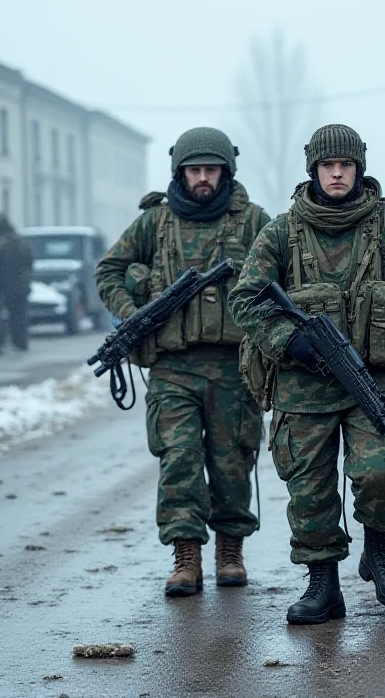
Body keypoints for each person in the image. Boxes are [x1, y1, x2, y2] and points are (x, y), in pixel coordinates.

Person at [228, 124, 385, 624]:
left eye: (345, 165)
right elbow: (243, 300)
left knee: (378, 471)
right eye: (328, 166)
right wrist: (289, 340)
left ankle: (380, 551)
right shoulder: (281, 232)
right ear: (314, 170)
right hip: (301, 386)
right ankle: (323, 585)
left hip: (374, 379)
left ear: (358, 169)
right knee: (310, 490)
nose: (336, 173)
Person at [95, 127, 270, 597]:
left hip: (235, 364)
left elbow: (284, 276)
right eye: (195, 170)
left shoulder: (254, 221)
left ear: (225, 171)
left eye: (211, 170)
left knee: (233, 459)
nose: (203, 179)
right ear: (181, 172)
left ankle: (230, 550)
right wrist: (132, 313)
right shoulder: (156, 222)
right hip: (172, 366)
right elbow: (109, 269)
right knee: (179, 459)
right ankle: (185, 555)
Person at [0, 212, 33, 352]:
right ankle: (19, 342)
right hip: (17, 286)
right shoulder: (20, 242)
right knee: (18, 316)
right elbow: (29, 262)